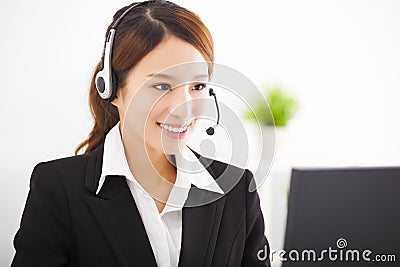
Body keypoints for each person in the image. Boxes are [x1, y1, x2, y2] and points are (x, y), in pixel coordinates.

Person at [11, 1, 271, 266]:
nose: (183, 109)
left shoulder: (237, 191)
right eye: (161, 85)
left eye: (198, 85)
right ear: (112, 88)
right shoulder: (58, 189)